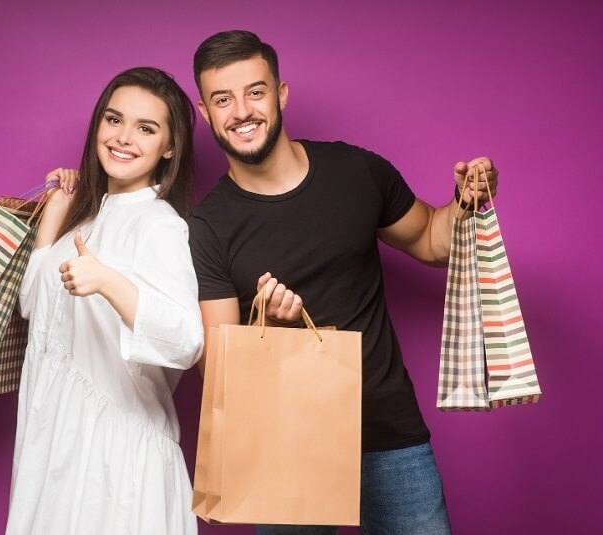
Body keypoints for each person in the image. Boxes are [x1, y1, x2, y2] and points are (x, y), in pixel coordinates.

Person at [187, 30, 498, 534]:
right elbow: (217, 370)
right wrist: (271, 325)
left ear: (281, 93)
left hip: (388, 432)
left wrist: (465, 201)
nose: (241, 111)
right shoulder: (207, 226)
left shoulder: (357, 170)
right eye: (223, 99)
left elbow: (431, 241)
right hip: (286, 446)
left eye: (255, 91)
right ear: (205, 112)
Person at [5, 67, 204, 535]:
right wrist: (53, 219)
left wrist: (109, 282)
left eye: (146, 128)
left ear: (168, 148)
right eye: (114, 120)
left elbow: (187, 340)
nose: (124, 138)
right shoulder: (86, 222)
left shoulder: (160, 224)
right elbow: (33, 307)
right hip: (54, 439)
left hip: (114, 459)